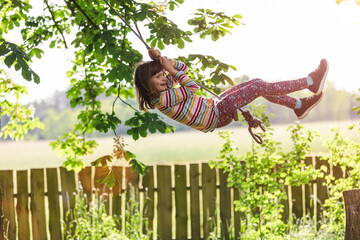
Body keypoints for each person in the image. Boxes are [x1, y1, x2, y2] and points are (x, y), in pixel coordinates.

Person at [134, 48, 329, 133]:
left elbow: (182, 68)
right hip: (216, 115)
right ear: (146, 85)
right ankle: (310, 82)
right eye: (158, 77)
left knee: (256, 84)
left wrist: (163, 60)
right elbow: (192, 88)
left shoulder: (166, 89)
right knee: (259, 87)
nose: (164, 78)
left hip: (216, 107)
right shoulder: (162, 99)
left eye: (163, 75)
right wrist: (170, 69)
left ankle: (298, 105)